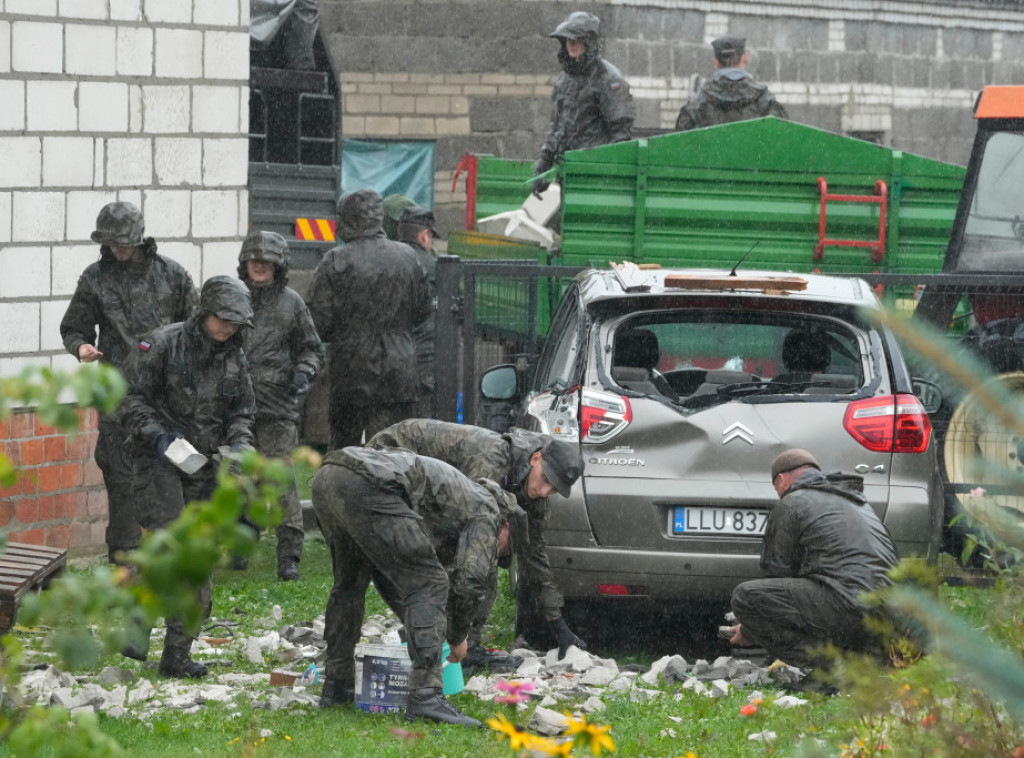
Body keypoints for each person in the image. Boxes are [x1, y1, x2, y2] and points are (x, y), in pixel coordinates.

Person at [312, 445, 514, 727]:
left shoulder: (454, 498)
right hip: (369, 481)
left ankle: (338, 683)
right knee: (431, 581)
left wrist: (422, 623)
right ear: (505, 526)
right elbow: (470, 581)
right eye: (503, 550)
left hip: (331, 475)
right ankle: (426, 696)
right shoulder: (487, 509)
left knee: (350, 584)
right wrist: (456, 636)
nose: (497, 554)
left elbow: (389, 572)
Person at [118, 276, 256, 678]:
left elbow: (242, 412)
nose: (228, 328)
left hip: (205, 464)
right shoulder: (162, 344)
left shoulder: (235, 356)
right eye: (223, 319)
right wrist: (157, 434)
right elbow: (128, 397)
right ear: (205, 312)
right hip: (157, 458)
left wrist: (240, 447)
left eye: (236, 321)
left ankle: (177, 652)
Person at [367, 420, 587, 669]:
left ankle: (445, 637)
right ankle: (446, 639)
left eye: (554, 489)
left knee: (479, 552)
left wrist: (559, 626)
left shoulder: (534, 490)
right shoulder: (492, 458)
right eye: (546, 479)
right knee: (474, 555)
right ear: (536, 459)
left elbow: (533, 554)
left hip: (427, 482)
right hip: (387, 460)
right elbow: (467, 520)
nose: (544, 491)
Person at [59, 201, 198, 567]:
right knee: (120, 475)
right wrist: (82, 347)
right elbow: (74, 326)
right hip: (117, 395)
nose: (118, 250)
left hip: (166, 396)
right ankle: (125, 557)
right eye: (111, 243)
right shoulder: (95, 278)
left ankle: (174, 552)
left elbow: (196, 329)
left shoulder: (173, 275)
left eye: (124, 243)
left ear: (139, 239)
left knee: (174, 470)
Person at [727, 449, 899, 675]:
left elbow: (776, 575)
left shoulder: (791, 503)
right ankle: (863, 660)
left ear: (781, 480)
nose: (778, 493)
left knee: (746, 597)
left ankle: (830, 669)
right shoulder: (857, 503)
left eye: (776, 488)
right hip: (891, 614)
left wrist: (750, 631)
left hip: (849, 606)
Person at [306, 189, 431, 448]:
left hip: (351, 372)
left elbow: (319, 322)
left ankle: (345, 488)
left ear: (346, 219)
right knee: (389, 452)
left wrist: (349, 331)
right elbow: (422, 311)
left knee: (345, 450)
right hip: (399, 371)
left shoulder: (335, 260)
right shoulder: (408, 256)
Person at [237, 230, 325, 580]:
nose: (259, 265)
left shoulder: (292, 303)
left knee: (281, 481)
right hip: (235, 408)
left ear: (279, 265)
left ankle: (289, 555)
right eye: (253, 259)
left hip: (277, 407)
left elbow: (312, 348)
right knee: (238, 477)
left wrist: (303, 373)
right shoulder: (233, 297)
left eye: (266, 260)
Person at [532, 11, 634, 196]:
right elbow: (558, 127)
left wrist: (604, 173)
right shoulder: (565, 80)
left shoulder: (609, 79)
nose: (571, 44)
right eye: (567, 40)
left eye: (576, 40)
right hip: (567, 170)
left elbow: (620, 135)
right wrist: (544, 163)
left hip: (594, 174)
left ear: (589, 42)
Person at [674, 36, 788, 132]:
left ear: (716, 62)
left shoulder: (697, 102)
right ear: (745, 58)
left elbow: (682, 144)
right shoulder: (765, 100)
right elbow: (781, 138)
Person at [395, 205, 440, 418]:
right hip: (424, 362)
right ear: (424, 236)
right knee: (421, 430)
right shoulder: (434, 267)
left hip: (389, 363)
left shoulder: (387, 262)